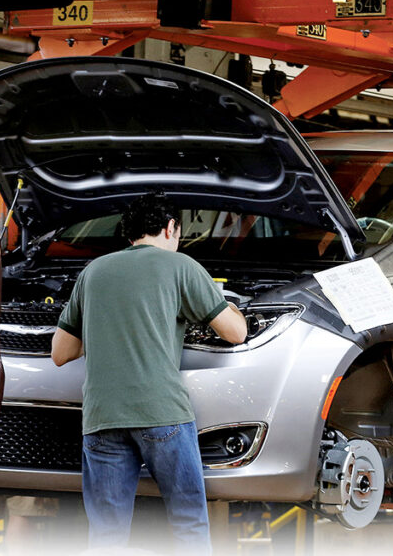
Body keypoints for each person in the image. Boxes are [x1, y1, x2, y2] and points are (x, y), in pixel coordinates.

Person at [51, 192, 247, 554]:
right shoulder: (181, 266)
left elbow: (60, 353)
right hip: (161, 413)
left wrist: (105, 329)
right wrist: (230, 305)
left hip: (102, 417)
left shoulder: (93, 272)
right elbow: (235, 333)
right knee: (188, 524)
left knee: (106, 535)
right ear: (171, 228)